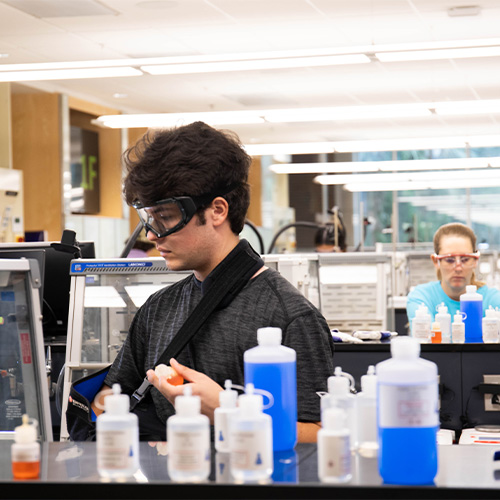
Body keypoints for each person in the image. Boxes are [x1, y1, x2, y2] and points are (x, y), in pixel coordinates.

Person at [92, 121, 335, 442]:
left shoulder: (290, 316)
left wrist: (227, 409)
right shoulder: (158, 309)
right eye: (150, 218)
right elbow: (105, 399)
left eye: (166, 216)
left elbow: (321, 435)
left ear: (217, 210)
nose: (152, 234)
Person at [406, 222, 500, 326]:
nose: (458, 268)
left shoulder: (493, 299)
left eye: (465, 259)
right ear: (435, 261)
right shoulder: (422, 298)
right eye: (449, 260)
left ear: (475, 261)